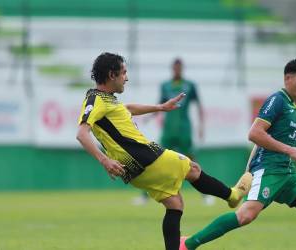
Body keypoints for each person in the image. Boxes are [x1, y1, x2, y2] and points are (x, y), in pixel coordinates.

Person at [76, 52, 252, 250]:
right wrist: (104, 160)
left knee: (175, 204)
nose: (127, 77)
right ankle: (232, 196)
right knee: (192, 168)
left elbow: (128, 108)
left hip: (133, 168)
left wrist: (160, 107)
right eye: (123, 73)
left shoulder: (108, 99)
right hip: (143, 156)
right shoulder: (95, 99)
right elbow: (82, 133)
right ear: (111, 75)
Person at [180, 59, 296, 250]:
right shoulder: (278, 100)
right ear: (287, 78)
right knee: (245, 216)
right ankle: (188, 244)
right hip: (268, 170)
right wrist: (289, 150)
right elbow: (254, 133)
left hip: (288, 175)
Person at [134, 58, 213, 206]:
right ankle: (145, 196)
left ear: (182, 68)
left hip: (184, 129)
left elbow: (199, 106)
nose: (177, 70)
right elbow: (160, 105)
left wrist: (201, 127)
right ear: (172, 69)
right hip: (168, 129)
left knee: (191, 162)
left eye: (179, 68)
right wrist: (149, 117)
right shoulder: (165, 86)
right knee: (155, 159)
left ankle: (206, 194)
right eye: (175, 68)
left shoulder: (190, 86)